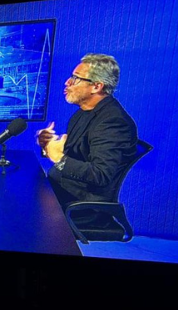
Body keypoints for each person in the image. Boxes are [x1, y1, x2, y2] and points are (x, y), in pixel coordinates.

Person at [36, 53, 138, 212]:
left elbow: (100, 174)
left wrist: (58, 158)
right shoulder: (82, 113)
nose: (67, 82)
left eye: (75, 78)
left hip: (78, 204)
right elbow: (74, 155)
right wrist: (48, 146)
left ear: (97, 86)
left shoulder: (114, 122)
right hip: (60, 189)